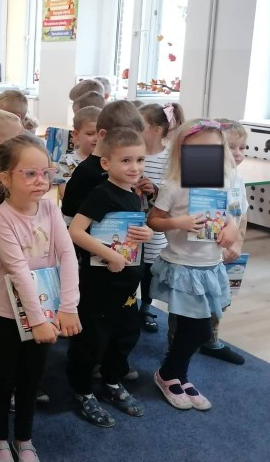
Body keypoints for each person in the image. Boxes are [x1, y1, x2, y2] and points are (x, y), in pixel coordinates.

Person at [0, 134, 80, 462]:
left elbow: (67, 255)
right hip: (5, 314)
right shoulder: (0, 217)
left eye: (45, 173)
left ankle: (24, 439)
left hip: (47, 309)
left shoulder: (50, 208)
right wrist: (37, 320)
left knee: (31, 380)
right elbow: (18, 271)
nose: (41, 181)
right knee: (3, 380)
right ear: (5, 178)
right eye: (30, 174)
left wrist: (68, 306)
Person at [147, 119, 241, 411]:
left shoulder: (222, 182)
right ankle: (168, 374)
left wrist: (231, 228)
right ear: (182, 151)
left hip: (210, 266)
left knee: (200, 329)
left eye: (213, 150)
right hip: (183, 268)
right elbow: (153, 220)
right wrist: (179, 222)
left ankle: (178, 376)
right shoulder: (174, 185)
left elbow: (231, 214)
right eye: (196, 150)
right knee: (196, 330)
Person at [67, 127, 154, 427]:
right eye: (126, 160)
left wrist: (147, 232)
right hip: (100, 286)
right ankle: (82, 390)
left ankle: (112, 381)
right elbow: (75, 231)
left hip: (127, 287)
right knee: (92, 341)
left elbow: (133, 232)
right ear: (106, 163)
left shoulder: (133, 194)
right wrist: (111, 255)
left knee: (125, 336)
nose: (135, 167)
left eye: (140, 160)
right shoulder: (101, 193)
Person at [199, 119, 249, 365]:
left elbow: (242, 215)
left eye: (242, 147)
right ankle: (177, 346)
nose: (238, 153)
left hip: (227, 253)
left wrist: (237, 244)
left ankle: (211, 339)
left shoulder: (238, 179)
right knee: (195, 300)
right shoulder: (205, 178)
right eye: (231, 147)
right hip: (204, 253)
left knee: (222, 298)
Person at [137, 103, 184, 332]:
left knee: (149, 268)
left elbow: (172, 193)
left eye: (140, 125)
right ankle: (127, 306)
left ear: (156, 130)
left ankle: (146, 308)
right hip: (129, 221)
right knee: (129, 264)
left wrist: (154, 190)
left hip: (155, 224)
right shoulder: (132, 152)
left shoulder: (169, 159)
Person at [55, 106, 102, 200]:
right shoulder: (67, 161)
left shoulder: (109, 160)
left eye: (101, 134)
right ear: (76, 135)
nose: (96, 138)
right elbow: (65, 194)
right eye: (90, 134)